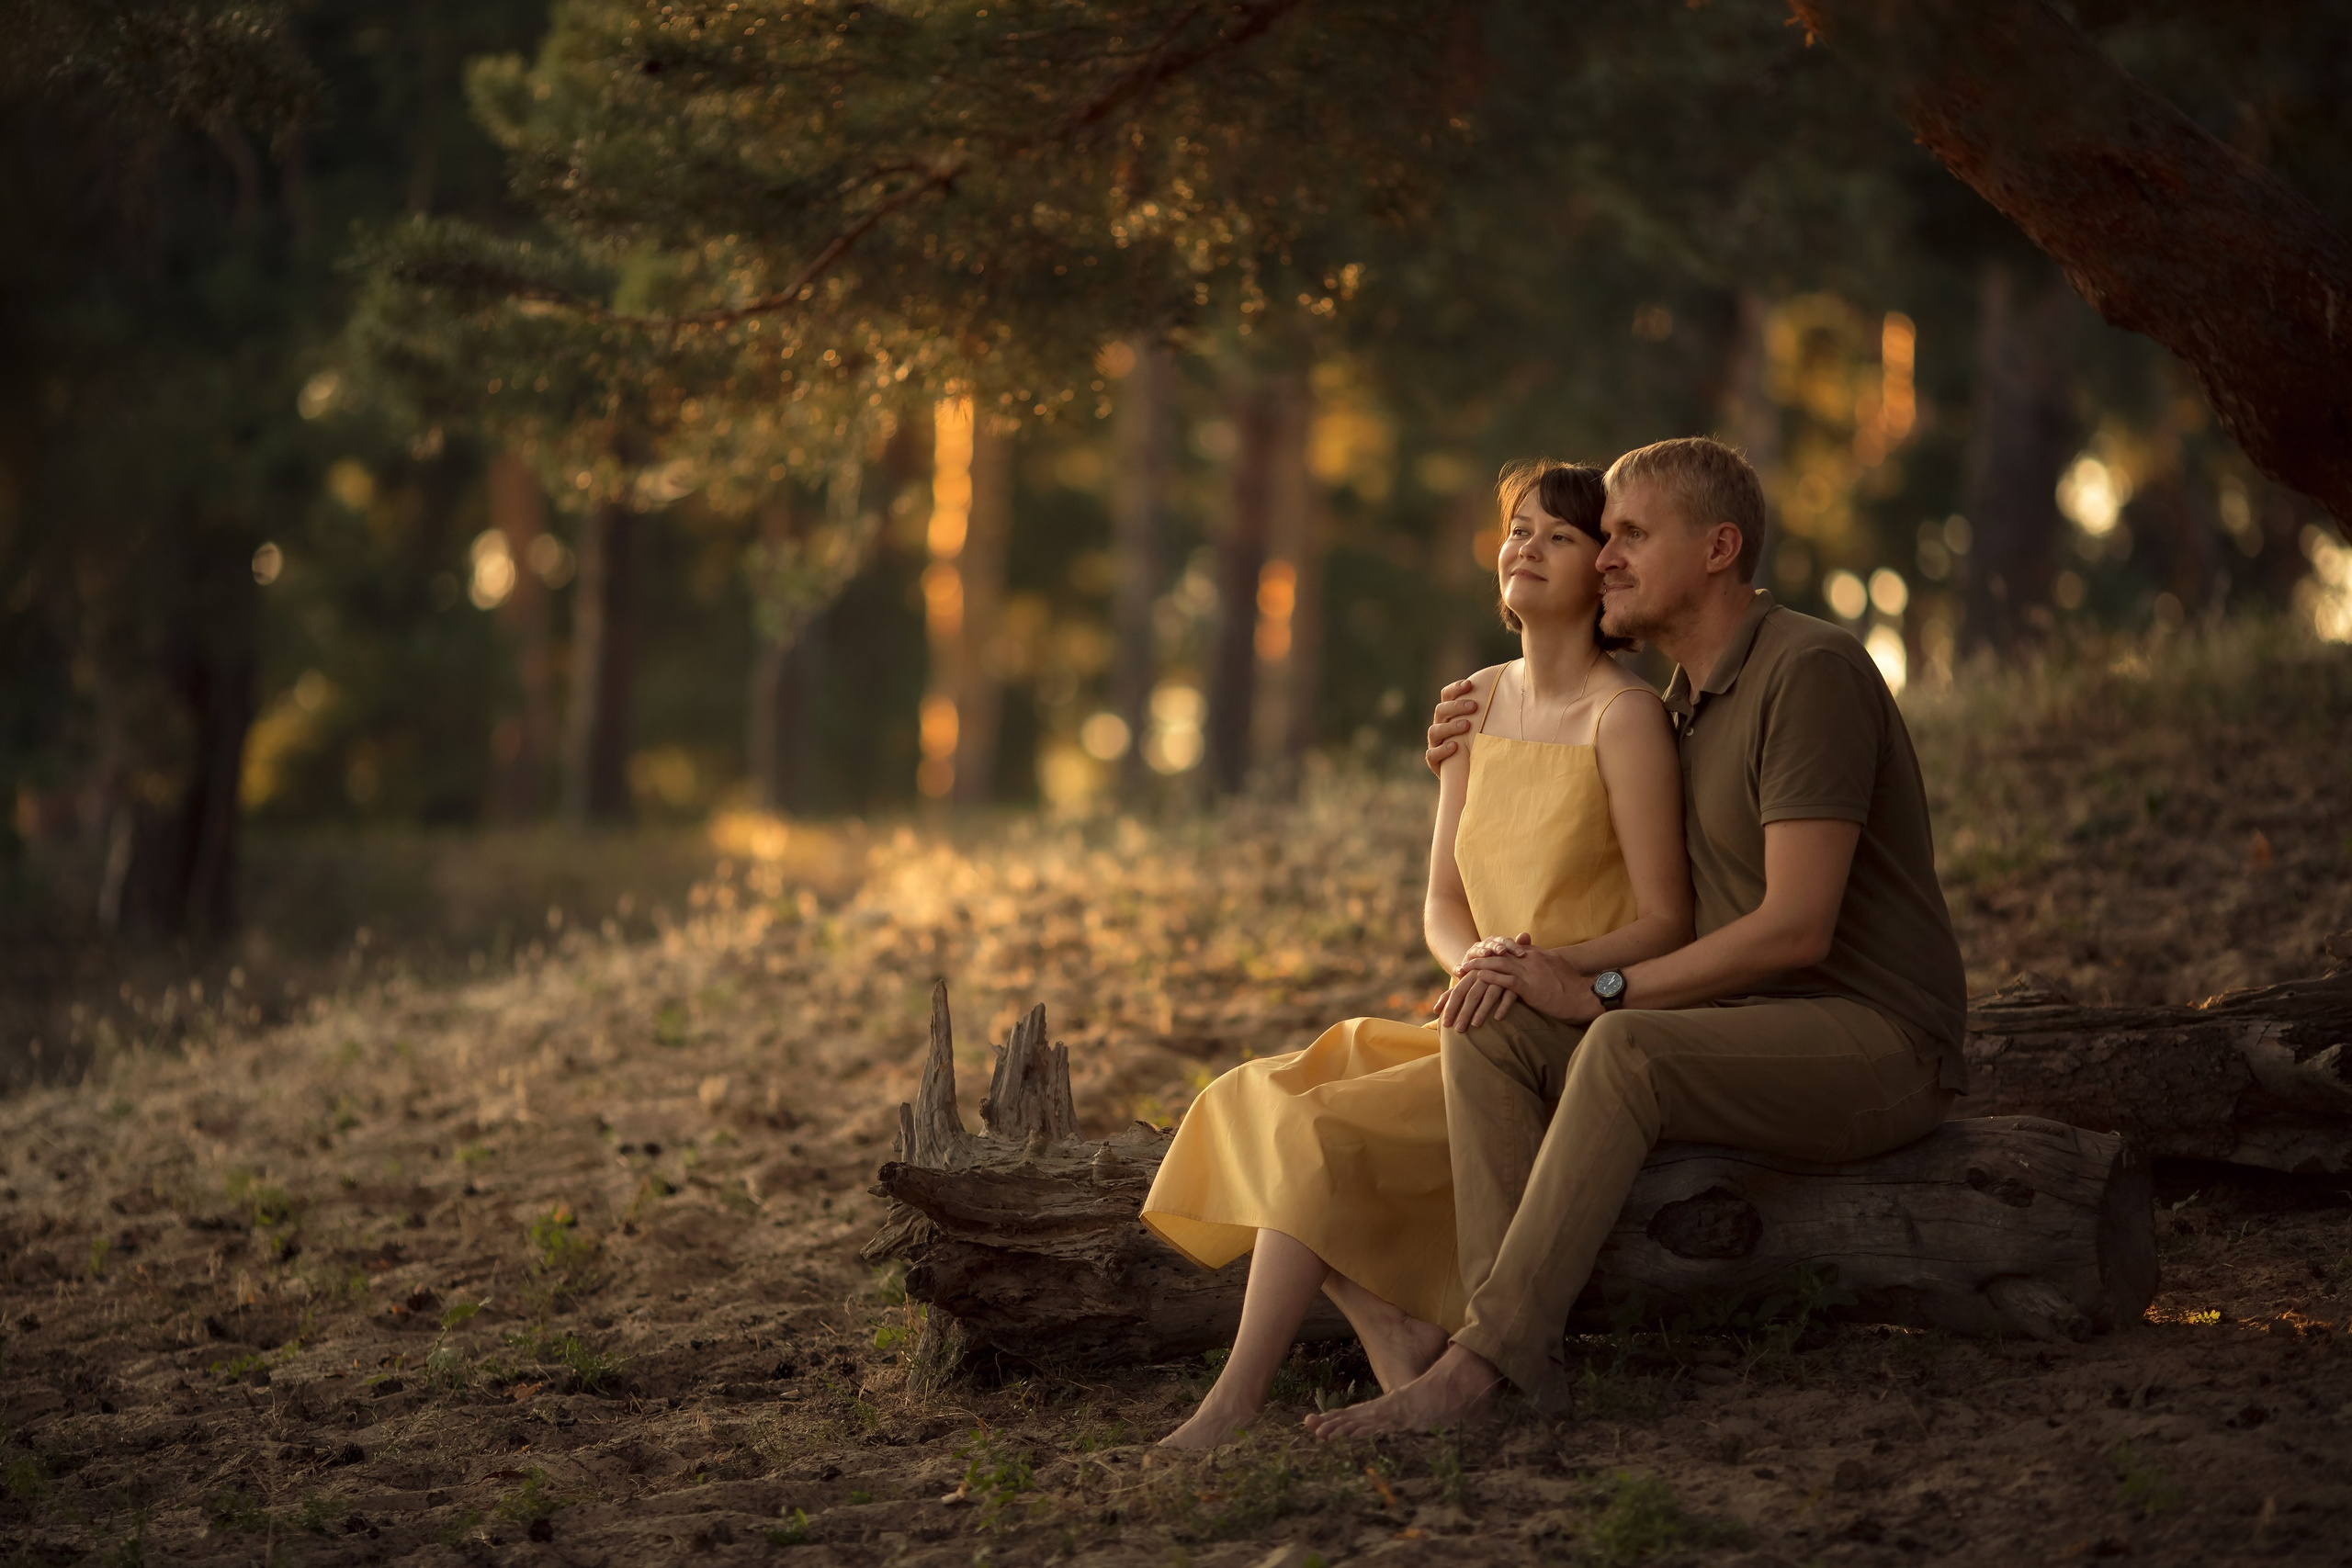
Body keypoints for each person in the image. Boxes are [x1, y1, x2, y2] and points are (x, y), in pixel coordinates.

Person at [1305, 436, 1968, 1438]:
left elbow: (1795, 928)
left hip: (1875, 1043)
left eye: (1628, 534)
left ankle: (1476, 1368)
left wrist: (1602, 991)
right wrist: (1523, 964)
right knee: (1485, 1023)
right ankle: (1517, 1363)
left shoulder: (1810, 669)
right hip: (1741, 1030)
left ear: (1717, 548)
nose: (1605, 556)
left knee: (1622, 1043)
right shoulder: (1677, 709)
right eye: (1601, 536)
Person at [1139, 460, 1692, 1448]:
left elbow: (1664, 919)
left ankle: (1232, 1406)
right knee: (1253, 1097)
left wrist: (1539, 970)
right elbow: (1441, 902)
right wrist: (1472, 958)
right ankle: (1392, 1329)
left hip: (1564, 1033)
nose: (1524, 546)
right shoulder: (1473, 703)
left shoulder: (1627, 716)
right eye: (1517, 528)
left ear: (1601, 574)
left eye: (1557, 536)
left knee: (1315, 1136)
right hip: (1478, 1009)